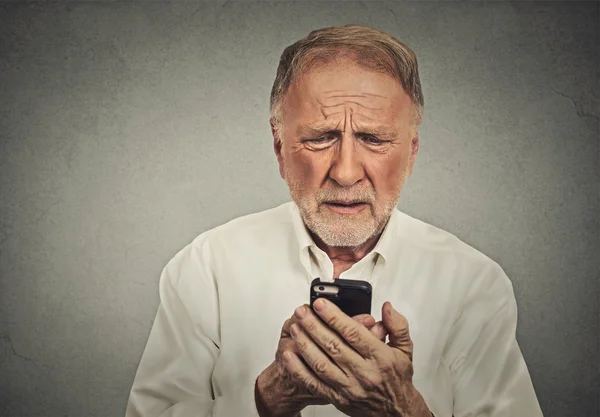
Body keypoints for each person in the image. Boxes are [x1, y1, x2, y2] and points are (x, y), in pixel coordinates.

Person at [125, 25, 543, 417]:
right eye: (320, 137)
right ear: (279, 149)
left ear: (411, 153)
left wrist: (404, 408)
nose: (345, 173)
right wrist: (266, 398)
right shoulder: (206, 266)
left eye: (373, 139)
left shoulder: (474, 283)